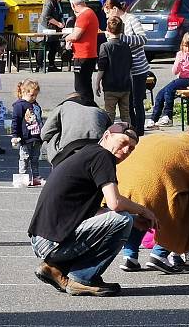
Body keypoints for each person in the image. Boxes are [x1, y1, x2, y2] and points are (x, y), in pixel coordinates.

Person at [28, 123, 158, 297]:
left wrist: (135, 218)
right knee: (122, 220)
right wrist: (143, 211)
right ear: (106, 135)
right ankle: (83, 278)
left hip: (43, 240)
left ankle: (54, 268)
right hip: (52, 243)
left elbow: (95, 212)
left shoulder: (88, 153)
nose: (127, 150)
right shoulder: (103, 156)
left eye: (132, 149)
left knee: (124, 219)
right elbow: (115, 203)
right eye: (124, 142)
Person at [117, 120, 189, 274]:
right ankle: (159, 255)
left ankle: (130, 257)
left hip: (122, 190)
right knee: (184, 203)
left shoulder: (158, 137)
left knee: (140, 211)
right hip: (154, 197)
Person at [102, 0, 150, 135]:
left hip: (137, 68)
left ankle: (140, 132)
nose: (107, 17)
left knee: (137, 102)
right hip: (123, 70)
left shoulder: (131, 19)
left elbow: (143, 38)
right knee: (127, 105)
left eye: (108, 13)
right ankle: (131, 130)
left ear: (115, 9)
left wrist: (121, 37)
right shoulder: (113, 24)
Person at [145, 32, 189, 129]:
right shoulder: (180, 54)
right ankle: (153, 119)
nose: (187, 49)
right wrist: (179, 63)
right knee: (160, 94)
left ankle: (168, 116)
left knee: (169, 90)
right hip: (181, 79)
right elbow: (174, 72)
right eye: (185, 46)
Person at [41, 92, 112, 167]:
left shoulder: (62, 107)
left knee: (52, 135)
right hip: (97, 147)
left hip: (70, 149)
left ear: (68, 100)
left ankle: (56, 164)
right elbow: (110, 133)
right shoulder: (100, 111)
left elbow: (45, 134)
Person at [94, 15, 132, 123]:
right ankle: (128, 135)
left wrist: (97, 83)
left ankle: (110, 135)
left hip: (110, 86)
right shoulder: (126, 46)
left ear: (107, 29)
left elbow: (102, 67)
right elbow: (130, 65)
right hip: (125, 86)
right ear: (121, 30)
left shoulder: (105, 46)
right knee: (126, 114)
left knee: (110, 114)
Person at [64, 0, 99, 101]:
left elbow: (75, 36)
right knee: (86, 85)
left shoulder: (84, 15)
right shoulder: (90, 13)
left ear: (73, 5)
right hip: (89, 54)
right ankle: (89, 108)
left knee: (81, 87)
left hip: (83, 56)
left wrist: (66, 38)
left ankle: (85, 109)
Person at [11, 79, 44, 187]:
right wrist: (15, 135)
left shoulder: (35, 105)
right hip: (25, 138)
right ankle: (22, 176)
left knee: (35, 158)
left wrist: (42, 134)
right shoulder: (19, 106)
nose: (34, 97)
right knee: (24, 158)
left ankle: (36, 177)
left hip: (36, 136)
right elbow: (15, 121)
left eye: (35, 95)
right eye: (32, 95)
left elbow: (39, 119)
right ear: (24, 92)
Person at [39, 0, 66, 71]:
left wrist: (62, 22)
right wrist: (58, 23)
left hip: (54, 27)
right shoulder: (49, 1)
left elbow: (60, 14)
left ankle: (51, 65)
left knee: (54, 45)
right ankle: (40, 66)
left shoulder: (59, 2)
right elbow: (47, 16)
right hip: (46, 26)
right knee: (43, 45)